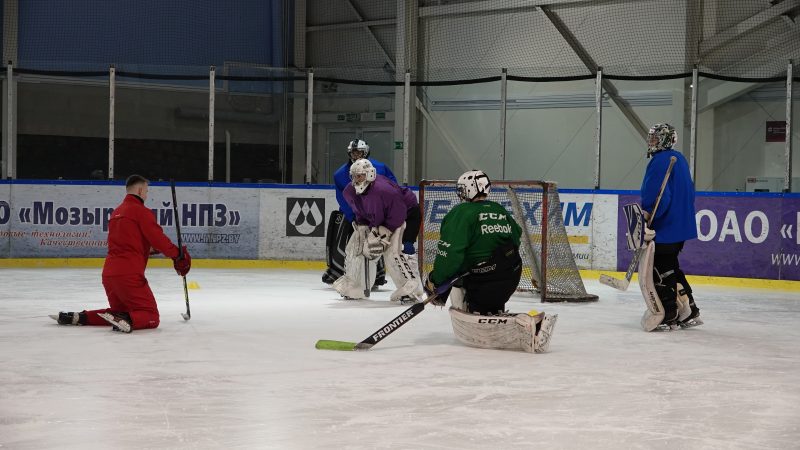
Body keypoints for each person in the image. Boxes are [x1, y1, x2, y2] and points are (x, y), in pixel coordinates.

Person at [423, 170, 557, 353]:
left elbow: (450, 255)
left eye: (462, 189)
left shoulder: (461, 212)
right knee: (487, 295)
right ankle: (492, 310)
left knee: (455, 277)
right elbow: (515, 237)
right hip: (512, 274)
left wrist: (436, 282)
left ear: (469, 189)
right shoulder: (499, 209)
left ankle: (476, 315)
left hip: (482, 281)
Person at [50, 174, 191, 333]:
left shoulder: (116, 213)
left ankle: (79, 317)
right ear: (140, 190)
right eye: (146, 191)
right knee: (150, 315)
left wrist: (161, 251)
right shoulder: (141, 212)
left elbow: (132, 244)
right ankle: (126, 320)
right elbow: (158, 240)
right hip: (129, 274)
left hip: (109, 274)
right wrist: (178, 255)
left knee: (119, 311)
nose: (146, 195)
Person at [639, 123, 702, 331]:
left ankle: (668, 312)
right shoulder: (679, 159)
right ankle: (689, 308)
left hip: (666, 226)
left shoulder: (660, 161)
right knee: (670, 266)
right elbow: (690, 193)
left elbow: (659, 196)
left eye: (655, 138)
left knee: (658, 269)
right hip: (680, 226)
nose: (651, 142)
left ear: (666, 140)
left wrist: (649, 215)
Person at [333, 159, 423, 303]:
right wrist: (363, 226)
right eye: (354, 176)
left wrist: (384, 232)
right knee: (356, 246)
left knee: (396, 250)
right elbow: (360, 211)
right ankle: (356, 286)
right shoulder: (349, 191)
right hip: (381, 219)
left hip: (406, 214)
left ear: (370, 174)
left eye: (360, 176)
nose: (356, 180)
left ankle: (412, 289)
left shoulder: (385, 191)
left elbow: (398, 214)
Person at [322, 139, 399, 288]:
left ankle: (377, 274)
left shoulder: (380, 168)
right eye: (353, 153)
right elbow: (343, 198)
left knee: (376, 244)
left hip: (376, 213)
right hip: (355, 215)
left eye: (359, 152)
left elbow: (392, 187)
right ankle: (341, 271)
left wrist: (384, 212)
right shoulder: (340, 174)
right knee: (352, 245)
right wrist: (354, 217)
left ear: (366, 152)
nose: (356, 155)